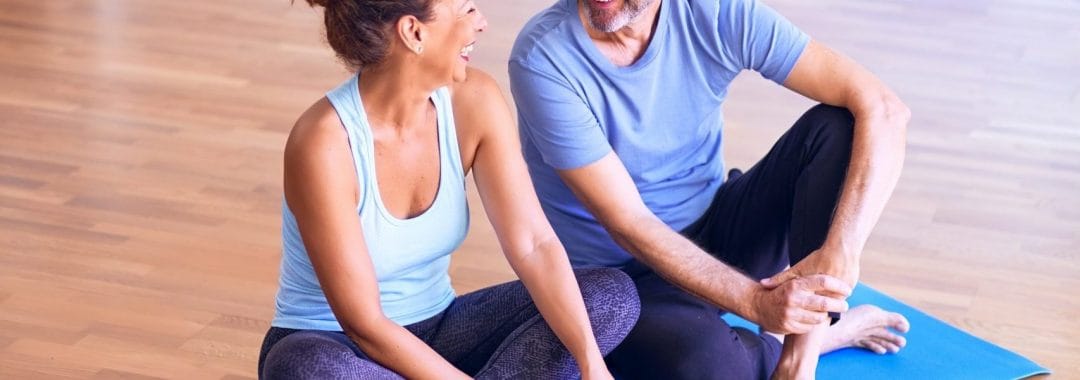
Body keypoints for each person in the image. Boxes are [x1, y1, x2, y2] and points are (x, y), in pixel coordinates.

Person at [509, 0, 912, 378]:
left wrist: (843, 249)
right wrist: (756, 303)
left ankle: (797, 359)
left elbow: (884, 108)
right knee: (708, 366)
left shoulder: (714, 11)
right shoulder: (543, 59)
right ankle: (809, 338)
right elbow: (628, 223)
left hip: (720, 226)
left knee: (837, 126)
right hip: (625, 279)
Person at [258, 0, 640, 379]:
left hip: (440, 328)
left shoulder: (475, 101)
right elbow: (364, 323)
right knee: (305, 368)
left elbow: (534, 245)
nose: (482, 23)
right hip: (336, 343)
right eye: (467, 10)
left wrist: (592, 365)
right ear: (414, 32)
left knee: (609, 298)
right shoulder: (323, 142)